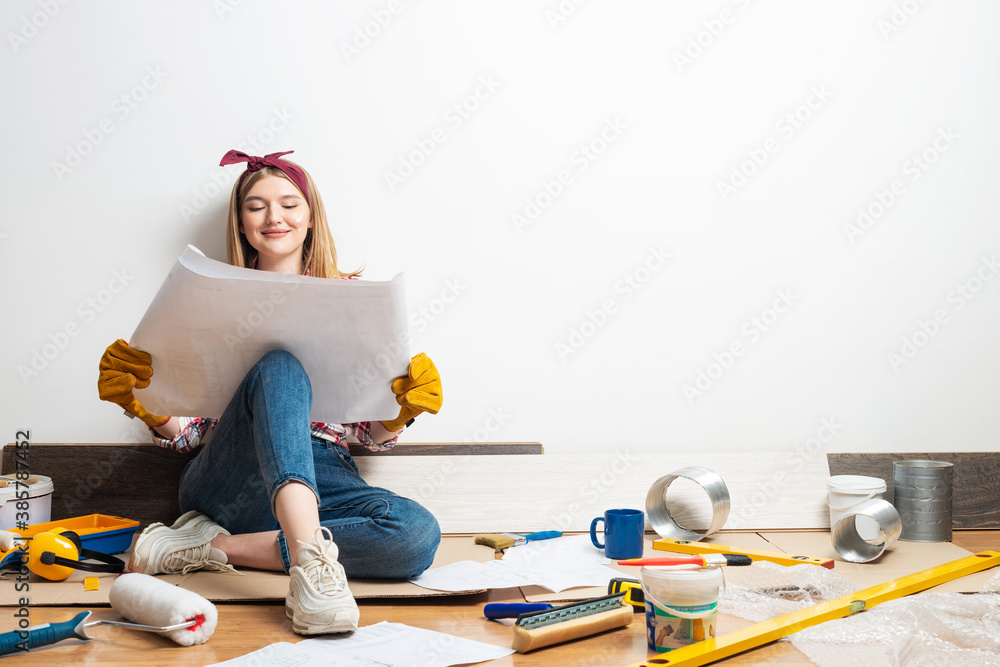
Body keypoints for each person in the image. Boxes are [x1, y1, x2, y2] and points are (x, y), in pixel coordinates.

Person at [97, 150, 443, 636]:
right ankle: (311, 571)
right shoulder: (208, 296)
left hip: (325, 472)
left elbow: (367, 432)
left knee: (416, 535)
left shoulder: (352, 298)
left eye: (288, 204)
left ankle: (207, 548)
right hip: (231, 473)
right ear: (241, 223)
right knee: (281, 366)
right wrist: (143, 403)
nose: (274, 217)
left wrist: (403, 411)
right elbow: (191, 434)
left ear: (310, 217)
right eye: (256, 206)